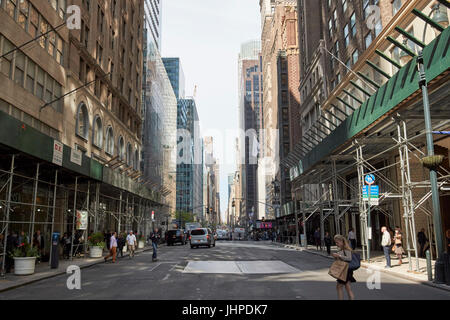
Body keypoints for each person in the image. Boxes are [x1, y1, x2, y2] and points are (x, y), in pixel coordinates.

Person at [332, 234, 355, 300]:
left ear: (341, 241)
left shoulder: (346, 248)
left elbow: (349, 258)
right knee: (347, 288)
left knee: (339, 287)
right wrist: (336, 257)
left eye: (337, 242)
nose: (336, 244)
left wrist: (339, 256)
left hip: (345, 271)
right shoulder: (342, 249)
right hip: (345, 270)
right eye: (335, 242)